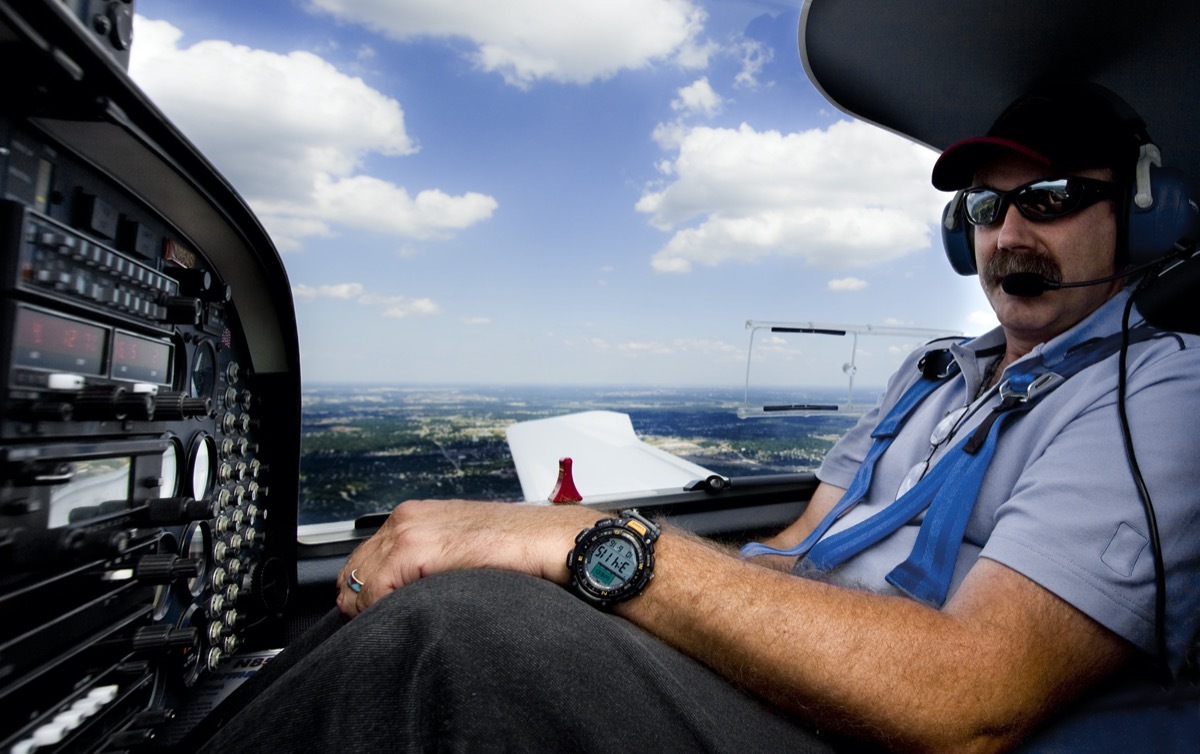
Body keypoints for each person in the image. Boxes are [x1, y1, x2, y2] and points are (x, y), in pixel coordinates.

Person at [198, 84, 1200, 753]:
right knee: (463, 575)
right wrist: (652, 602)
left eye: (1053, 199)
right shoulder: (934, 372)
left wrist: (597, 547)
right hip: (795, 675)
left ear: (1145, 214)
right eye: (988, 209)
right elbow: (801, 544)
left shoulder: (1160, 394)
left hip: (877, 726)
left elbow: (975, 694)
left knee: (457, 635)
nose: (1010, 234)